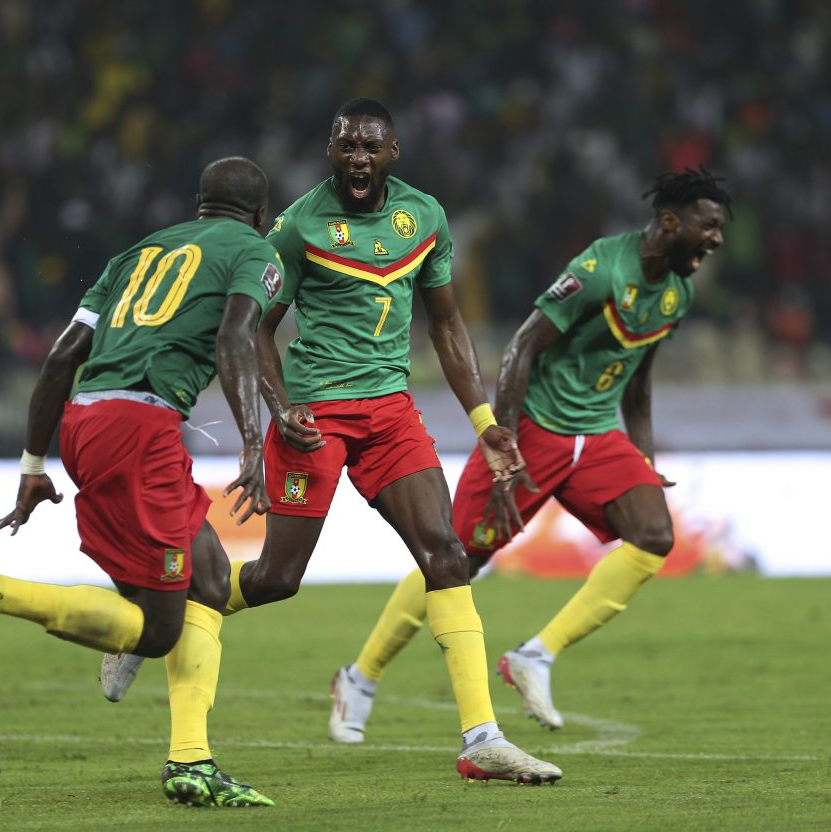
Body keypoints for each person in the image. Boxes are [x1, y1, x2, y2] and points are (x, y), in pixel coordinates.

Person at [102, 97, 562, 785]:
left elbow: (446, 326)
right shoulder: (297, 226)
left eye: (370, 147)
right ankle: (151, 614)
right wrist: (280, 407)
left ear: (392, 153)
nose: (358, 158)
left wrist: (483, 421)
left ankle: (481, 739)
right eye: (346, 146)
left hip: (391, 416)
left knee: (447, 553)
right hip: (315, 416)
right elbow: (256, 326)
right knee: (275, 580)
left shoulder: (424, 218)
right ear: (330, 151)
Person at [0, 156, 286, 809]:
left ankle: (189, 761)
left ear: (199, 205)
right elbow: (235, 337)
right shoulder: (256, 251)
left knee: (213, 579)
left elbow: (60, 358)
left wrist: (32, 464)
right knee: (161, 628)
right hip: (141, 429)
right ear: (260, 213)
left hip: (86, 421)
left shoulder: (135, 255)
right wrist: (254, 441)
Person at [326, 166, 731, 741]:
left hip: (595, 436)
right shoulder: (600, 269)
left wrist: (642, 458)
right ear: (671, 222)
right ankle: (359, 677)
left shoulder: (677, 291)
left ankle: (536, 656)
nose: (716, 238)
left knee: (654, 536)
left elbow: (638, 382)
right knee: (456, 559)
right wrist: (505, 442)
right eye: (708, 225)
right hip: (536, 429)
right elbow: (520, 347)